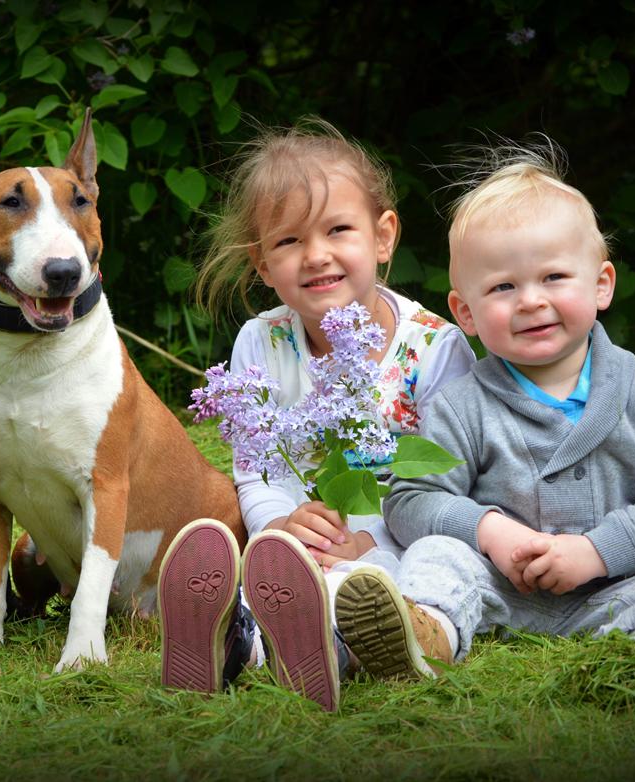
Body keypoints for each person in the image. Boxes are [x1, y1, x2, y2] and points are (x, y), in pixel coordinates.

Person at [369, 136, 635, 673]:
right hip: (494, 581)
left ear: (601, 285)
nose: (531, 300)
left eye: (553, 276)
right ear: (467, 313)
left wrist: (598, 552)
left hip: (612, 582)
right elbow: (410, 499)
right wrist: (489, 531)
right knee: (434, 560)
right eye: (503, 286)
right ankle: (426, 632)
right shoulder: (463, 403)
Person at [157, 117, 475, 711]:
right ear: (260, 263)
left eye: (337, 230)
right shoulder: (262, 342)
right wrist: (279, 526)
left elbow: (446, 481)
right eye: (288, 241)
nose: (316, 256)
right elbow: (255, 469)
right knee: (267, 581)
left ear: (383, 238)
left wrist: (364, 541)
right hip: (294, 553)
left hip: (395, 546)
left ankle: (331, 644)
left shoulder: (434, 349)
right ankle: (232, 643)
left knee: (394, 584)